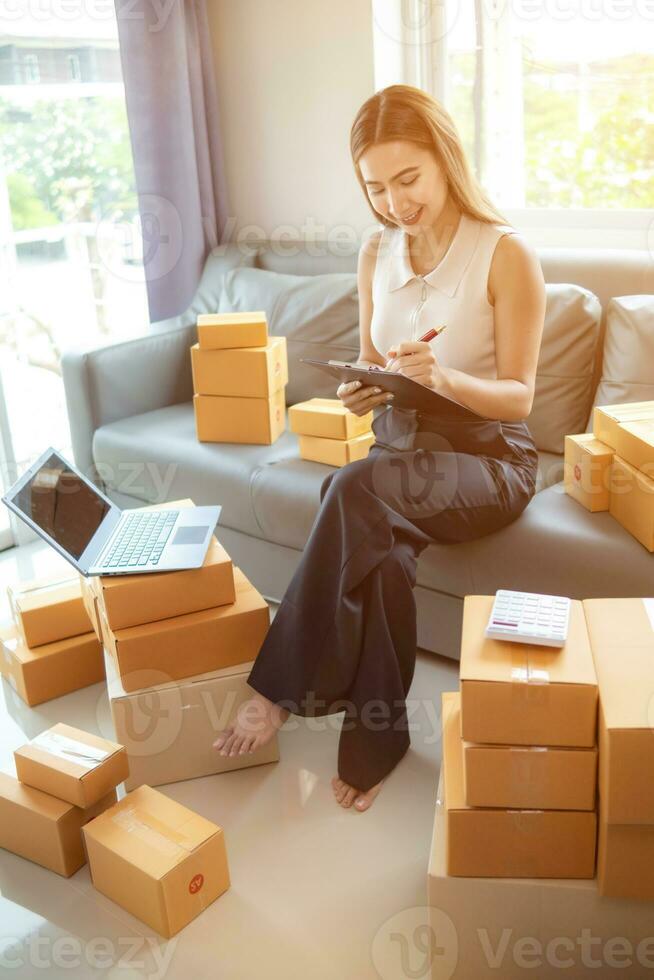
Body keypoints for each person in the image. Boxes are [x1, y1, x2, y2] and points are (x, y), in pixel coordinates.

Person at [213, 84, 545, 813]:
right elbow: (372, 361)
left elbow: (521, 396)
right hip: (403, 447)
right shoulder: (376, 252)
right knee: (385, 553)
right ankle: (378, 739)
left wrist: (448, 378)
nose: (394, 202)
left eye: (408, 179)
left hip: (488, 457)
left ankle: (276, 690)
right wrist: (364, 391)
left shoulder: (506, 253)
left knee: (351, 488)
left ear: (445, 161)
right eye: (376, 187)